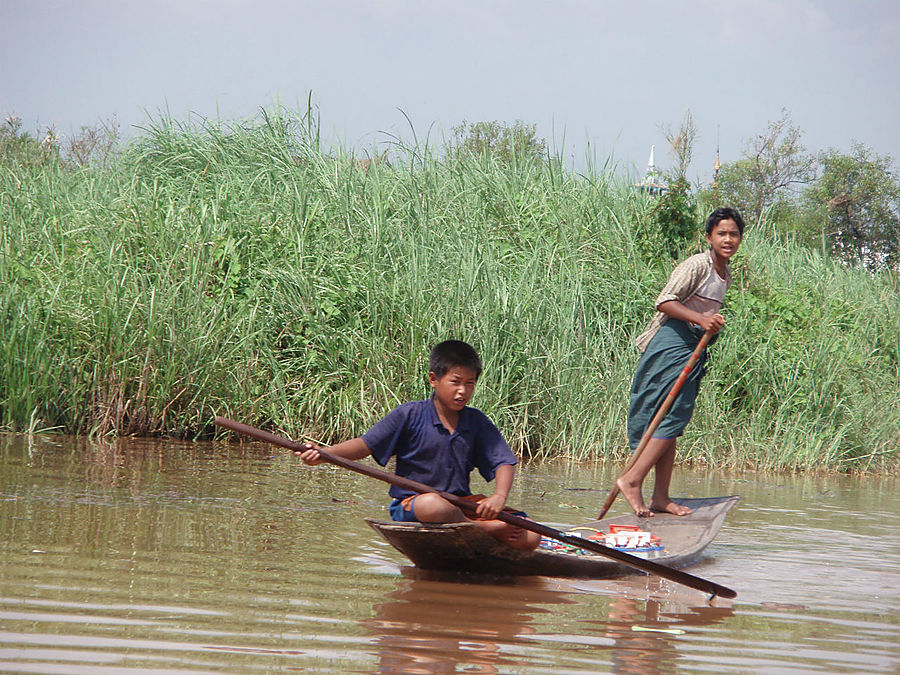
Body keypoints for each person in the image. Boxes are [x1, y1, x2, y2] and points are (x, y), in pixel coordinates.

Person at [296, 339, 541, 551]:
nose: (462, 391)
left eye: (470, 383)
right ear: (434, 380)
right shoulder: (409, 415)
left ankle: (479, 527)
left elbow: (503, 462)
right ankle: (480, 529)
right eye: (455, 382)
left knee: (530, 535)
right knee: (433, 505)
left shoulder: (475, 421)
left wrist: (499, 497)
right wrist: (325, 454)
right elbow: (364, 445)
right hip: (414, 505)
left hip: (460, 503)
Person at [617, 207, 745, 518]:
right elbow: (664, 301)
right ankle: (632, 480)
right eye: (721, 234)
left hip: (690, 347)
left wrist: (706, 326)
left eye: (734, 234)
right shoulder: (697, 265)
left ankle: (661, 497)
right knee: (670, 416)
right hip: (669, 344)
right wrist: (702, 319)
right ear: (708, 237)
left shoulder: (725, 274)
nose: (728, 239)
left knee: (671, 423)